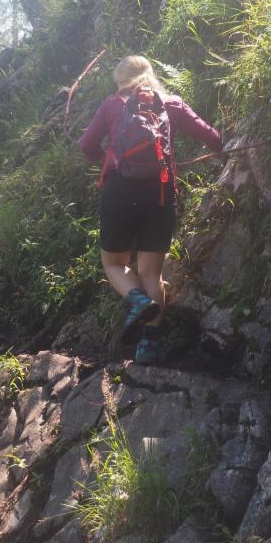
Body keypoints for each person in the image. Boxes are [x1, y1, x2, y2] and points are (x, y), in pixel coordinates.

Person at [78, 55, 223, 364]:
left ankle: (137, 300)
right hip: (159, 194)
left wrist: (104, 157)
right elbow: (212, 137)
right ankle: (149, 346)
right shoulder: (170, 103)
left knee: (114, 265)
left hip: (118, 192)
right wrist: (219, 147)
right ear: (151, 76)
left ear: (121, 82)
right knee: (151, 272)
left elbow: (86, 146)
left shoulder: (111, 105)